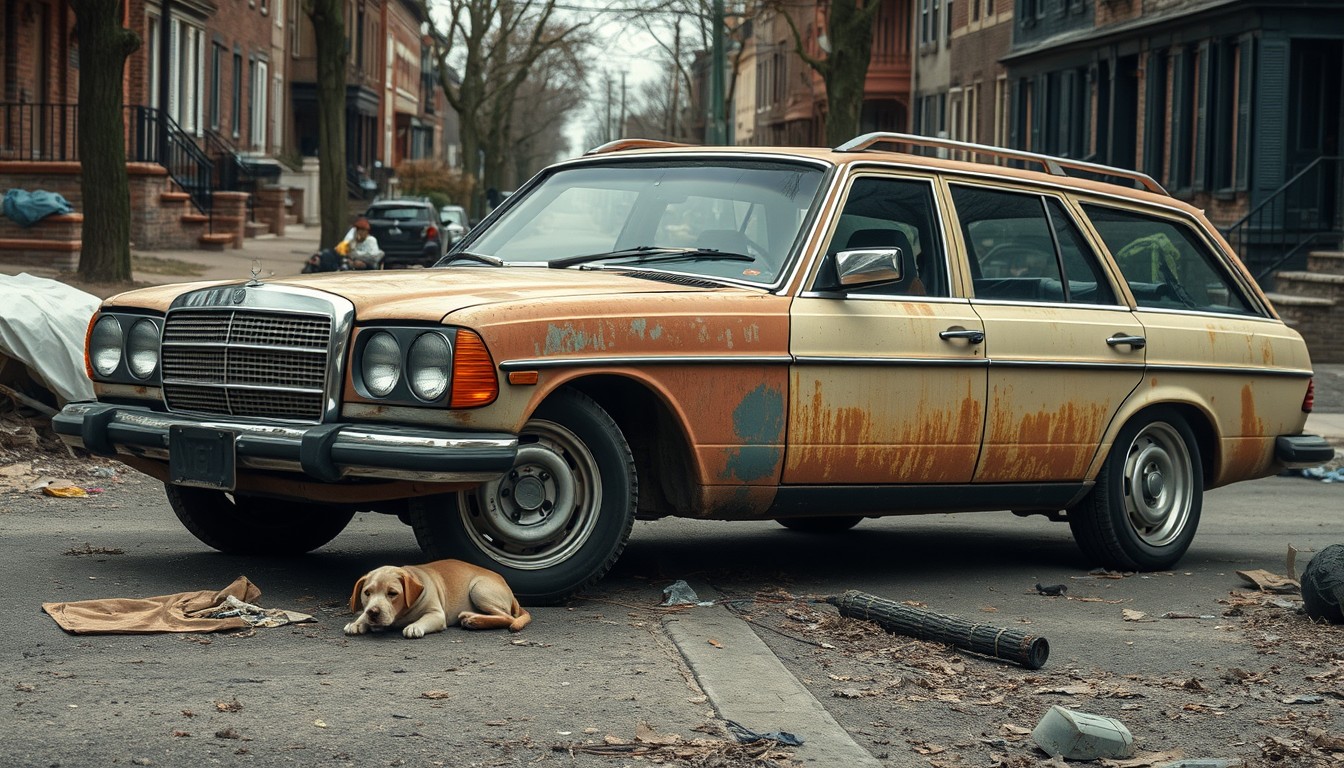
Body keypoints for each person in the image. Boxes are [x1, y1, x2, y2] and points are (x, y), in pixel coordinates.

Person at [303, 217, 383, 272]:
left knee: (340, 263)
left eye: (362, 231)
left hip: (366, 264)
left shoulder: (371, 241)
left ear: (366, 232)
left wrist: (355, 257)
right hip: (351, 261)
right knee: (328, 254)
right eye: (358, 230)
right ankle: (318, 259)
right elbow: (344, 250)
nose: (360, 233)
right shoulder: (353, 240)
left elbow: (373, 256)